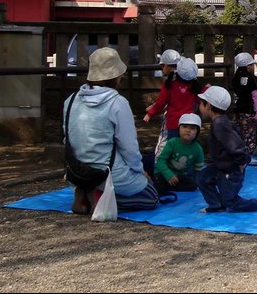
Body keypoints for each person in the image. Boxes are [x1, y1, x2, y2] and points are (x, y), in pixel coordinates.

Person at [65, 48, 158, 215]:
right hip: (106, 172)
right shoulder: (117, 103)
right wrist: (140, 171)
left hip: (76, 171)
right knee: (151, 196)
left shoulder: (70, 100)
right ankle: (100, 197)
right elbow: (128, 146)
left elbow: (68, 139)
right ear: (116, 76)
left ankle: (85, 192)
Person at [196, 86, 257, 213]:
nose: (199, 107)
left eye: (201, 103)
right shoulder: (218, 122)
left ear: (209, 106)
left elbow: (235, 145)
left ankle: (256, 204)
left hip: (232, 169)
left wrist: (242, 161)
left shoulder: (220, 124)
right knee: (202, 178)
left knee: (230, 202)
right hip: (220, 166)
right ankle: (215, 204)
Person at [143, 56, 202, 159]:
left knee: (172, 149)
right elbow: (200, 99)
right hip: (190, 123)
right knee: (189, 150)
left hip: (173, 123)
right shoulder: (194, 87)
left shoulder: (170, 85)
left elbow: (160, 103)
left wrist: (150, 113)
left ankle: (168, 171)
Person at [153, 113, 205, 195]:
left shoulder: (197, 149)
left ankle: (170, 187)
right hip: (163, 173)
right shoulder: (172, 142)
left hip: (179, 177)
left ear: (197, 132)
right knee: (158, 184)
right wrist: (169, 175)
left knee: (193, 185)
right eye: (184, 127)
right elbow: (160, 161)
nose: (188, 130)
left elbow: (198, 170)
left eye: (192, 128)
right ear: (178, 129)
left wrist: (198, 183)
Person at [231, 52, 257, 156]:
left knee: (238, 133)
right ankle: (248, 155)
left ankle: (238, 153)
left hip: (237, 111)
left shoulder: (235, 78)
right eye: (252, 65)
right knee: (249, 135)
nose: (253, 67)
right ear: (248, 66)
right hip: (248, 112)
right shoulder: (251, 78)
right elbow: (256, 96)